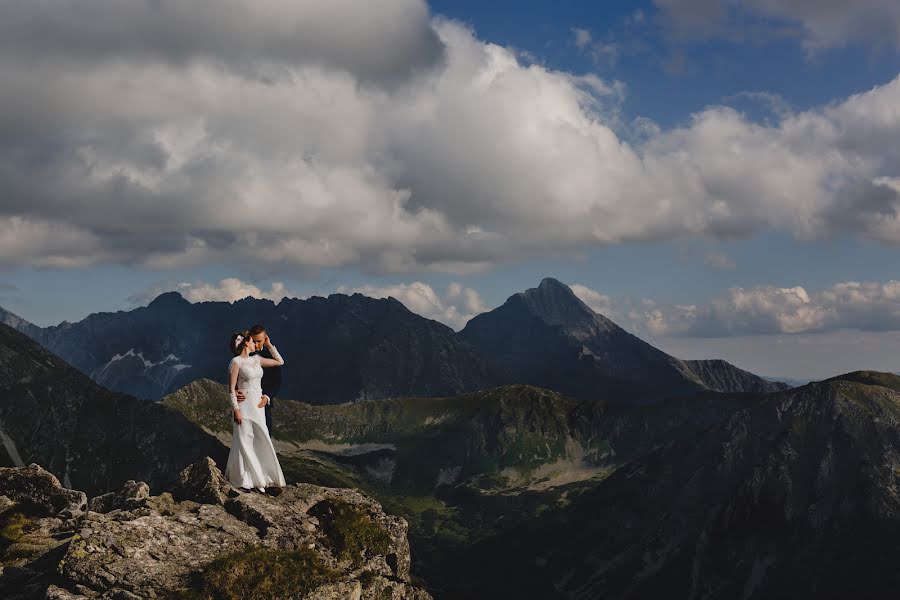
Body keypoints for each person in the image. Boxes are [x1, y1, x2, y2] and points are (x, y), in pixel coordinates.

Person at [224, 329, 286, 493]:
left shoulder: (257, 359)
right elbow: (231, 389)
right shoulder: (236, 362)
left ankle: (263, 478)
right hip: (244, 406)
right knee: (244, 439)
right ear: (246, 342)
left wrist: (269, 345)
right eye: (253, 341)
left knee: (260, 438)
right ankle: (245, 479)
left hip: (258, 406)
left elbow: (280, 361)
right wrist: (236, 409)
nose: (256, 344)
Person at [235, 324, 281, 436]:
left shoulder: (271, 355)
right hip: (245, 403)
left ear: (265, 339)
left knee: (265, 436)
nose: (256, 344)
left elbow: (277, 381)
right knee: (246, 435)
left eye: (259, 341)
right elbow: (235, 377)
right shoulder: (242, 354)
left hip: (263, 403)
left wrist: (267, 397)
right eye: (254, 341)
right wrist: (235, 390)